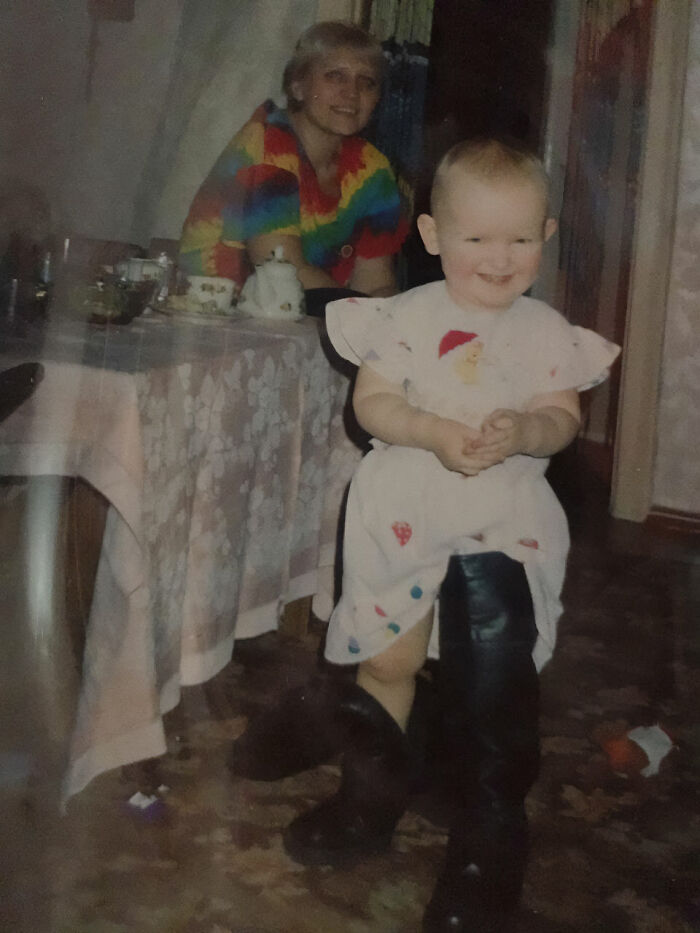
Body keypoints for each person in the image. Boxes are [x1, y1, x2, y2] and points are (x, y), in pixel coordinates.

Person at [241, 138, 620, 933]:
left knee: (493, 675)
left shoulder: (546, 328)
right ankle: (370, 796)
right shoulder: (404, 315)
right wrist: (429, 429)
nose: (498, 256)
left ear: (545, 237)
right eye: (476, 237)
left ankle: (489, 840)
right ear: (433, 234)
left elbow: (563, 419)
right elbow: (370, 406)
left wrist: (526, 427)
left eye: (519, 238)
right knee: (388, 655)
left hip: (503, 517)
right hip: (406, 503)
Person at [177, 21, 408, 309]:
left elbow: (375, 281)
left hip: (301, 317)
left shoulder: (372, 169)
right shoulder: (266, 145)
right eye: (335, 76)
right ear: (298, 87)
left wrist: (391, 319)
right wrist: (365, 317)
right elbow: (284, 272)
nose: (352, 93)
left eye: (367, 82)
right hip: (214, 314)